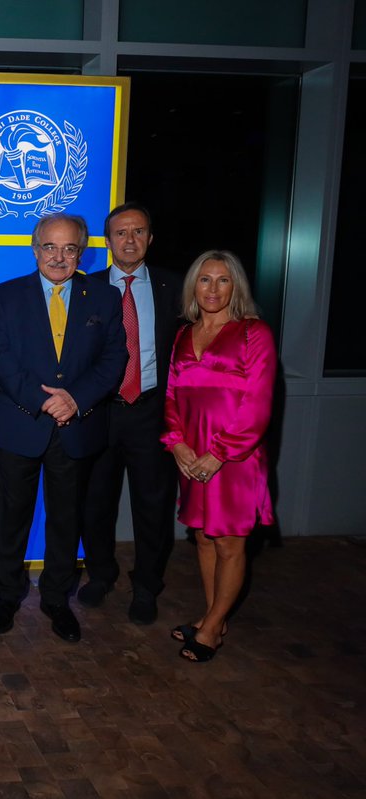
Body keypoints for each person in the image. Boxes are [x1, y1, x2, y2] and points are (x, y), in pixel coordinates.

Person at [0, 213, 126, 642]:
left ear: (81, 252)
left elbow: (113, 360)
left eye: (69, 248)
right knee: (12, 518)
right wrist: (44, 401)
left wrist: (75, 400)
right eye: (50, 247)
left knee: (66, 520)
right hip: (23, 423)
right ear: (35, 249)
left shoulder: (104, 298)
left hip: (76, 427)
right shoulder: (5, 296)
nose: (59, 257)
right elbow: (1, 358)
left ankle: (55, 599)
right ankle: (7, 595)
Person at [163, 250, 276, 663]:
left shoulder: (253, 332)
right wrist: (176, 443)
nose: (213, 288)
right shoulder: (183, 334)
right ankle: (214, 617)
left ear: (236, 287)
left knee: (229, 542)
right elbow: (172, 396)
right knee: (202, 537)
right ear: (194, 286)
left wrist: (220, 453)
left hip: (235, 458)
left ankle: (211, 629)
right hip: (191, 456)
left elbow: (258, 404)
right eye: (205, 280)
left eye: (223, 280)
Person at [79, 203, 183, 625]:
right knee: (95, 502)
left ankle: (147, 586)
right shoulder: (84, 288)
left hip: (152, 412)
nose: (129, 240)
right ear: (108, 241)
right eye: (121, 233)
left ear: (150, 238)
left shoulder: (174, 287)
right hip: (100, 413)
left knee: (153, 506)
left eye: (138, 232)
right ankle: (101, 574)